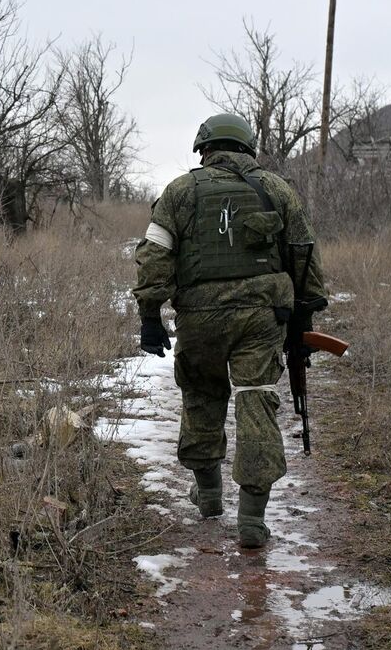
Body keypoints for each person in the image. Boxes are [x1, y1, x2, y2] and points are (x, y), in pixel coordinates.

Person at [132, 111, 328, 548]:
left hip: (199, 316)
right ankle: (253, 520)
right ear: (247, 147)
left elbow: (155, 255)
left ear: (205, 148)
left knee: (202, 395)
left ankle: (208, 496)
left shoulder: (180, 191)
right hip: (261, 318)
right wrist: (305, 317)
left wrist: (150, 314)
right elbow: (305, 258)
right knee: (256, 400)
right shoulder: (277, 190)